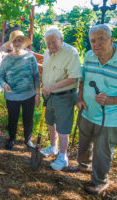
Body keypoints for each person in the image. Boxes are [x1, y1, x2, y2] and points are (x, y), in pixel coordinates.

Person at [76, 24, 117, 195]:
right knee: (84, 143)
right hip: (88, 111)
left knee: (102, 151)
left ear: (111, 39)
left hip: (112, 118)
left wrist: (111, 100)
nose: (96, 44)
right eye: (93, 41)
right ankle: (84, 166)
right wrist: (79, 98)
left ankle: (100, 182)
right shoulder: (89, 56)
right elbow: (83, 80)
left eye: (101, 39)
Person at [40, 27, 81, 171]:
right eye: (48, 43)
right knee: (51, 122)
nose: (50, 46)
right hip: (49, 95)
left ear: (61, 40)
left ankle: (63, 157)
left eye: (53, 42)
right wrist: (46, 87)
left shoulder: (71, 53)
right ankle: (53, 147)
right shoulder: (47, 53)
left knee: (63, 127)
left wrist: (52, 86)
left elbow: (74, 78)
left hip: (64, 96)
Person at [0, 30, 40, 150]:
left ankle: (28, 140)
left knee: (28, 118)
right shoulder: (6, 59)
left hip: (29, 94)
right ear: (11, 43)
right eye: (14, 41)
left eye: (20, 40)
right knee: (12, 119)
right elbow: (0, 76)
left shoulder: (30, 57)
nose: (17, 43)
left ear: (23, 43)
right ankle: (11, 139)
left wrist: (37, 93)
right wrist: (4, 84)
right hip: (12, 96)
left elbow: (36, 75)